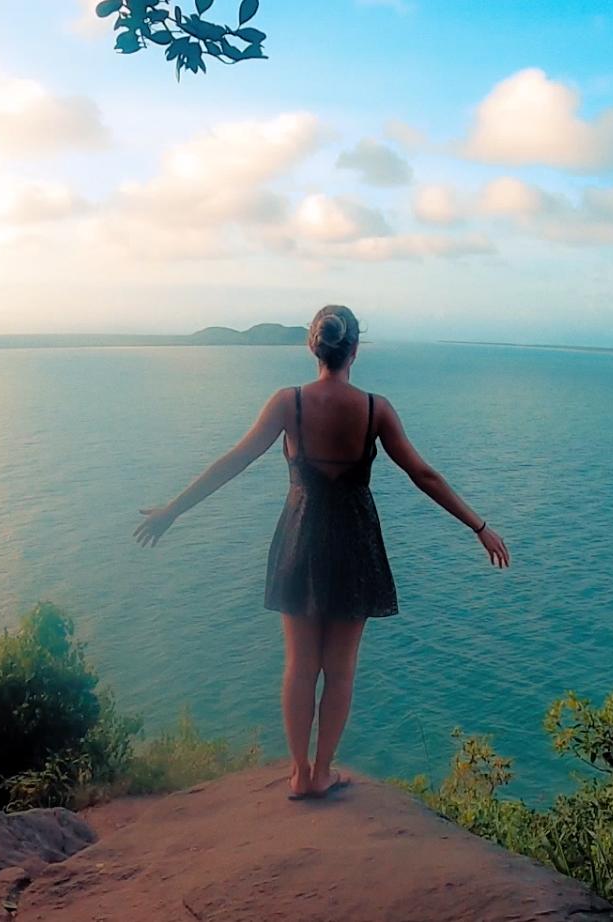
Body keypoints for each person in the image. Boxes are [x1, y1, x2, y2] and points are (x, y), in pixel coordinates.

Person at [134, 305, 510, 799]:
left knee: (299, 663)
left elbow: (235, 460)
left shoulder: (287, 402)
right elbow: (425, 476)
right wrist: (478, 526)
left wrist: (173, 510)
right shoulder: (376, 409)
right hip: (355, 543)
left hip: (300, 537)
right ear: (354, 349)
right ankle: (323, 770)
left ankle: (298, 772)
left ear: (313, 348)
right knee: (341, 666)